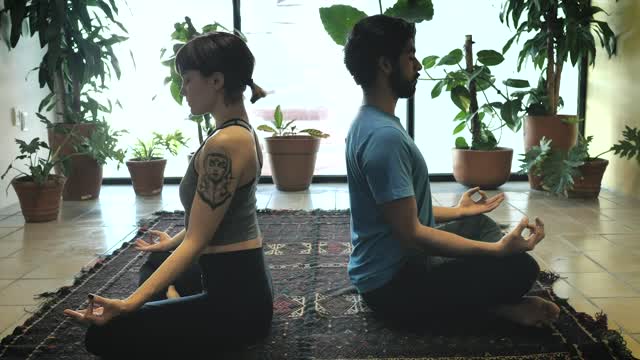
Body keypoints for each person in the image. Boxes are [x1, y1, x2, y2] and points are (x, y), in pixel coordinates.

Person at [64, 31, 273, 358]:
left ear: (216, 81)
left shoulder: (226, 144)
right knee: (157, 260)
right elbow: (212, 222)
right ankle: (174, 304)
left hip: (237, 308)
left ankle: (176, 308)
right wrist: (171, 242)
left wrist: (128, 305)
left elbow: (198, 241)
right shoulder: (235, 131)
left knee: (103, 337)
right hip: (237, 282)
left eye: (187, 80)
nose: (183, 90)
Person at [343, 15, 560, 329]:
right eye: (410, 55)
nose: (418, 66)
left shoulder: (369, 122)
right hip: (393, 287)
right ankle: (494, 310)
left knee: (477, 223)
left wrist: (459, 212)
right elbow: (413, 234)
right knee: (521, 269)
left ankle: (472, 291)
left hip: (389, 270)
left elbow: (403, 213)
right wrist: (497, 251)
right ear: (385, 65)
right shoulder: (384, 139)